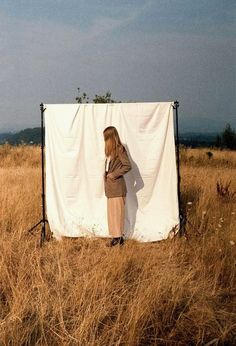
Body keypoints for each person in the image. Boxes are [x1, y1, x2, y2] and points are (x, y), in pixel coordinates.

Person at [103, 126, 132, 247]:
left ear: (111, 137)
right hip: (110, 189)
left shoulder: (120, 149)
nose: (104, 140)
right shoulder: (110, 152)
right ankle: (115, 238)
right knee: (112, 215)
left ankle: (120, 240)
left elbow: (128, 166)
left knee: (118, 215)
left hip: (118, 188)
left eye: (106, 138)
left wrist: (114, 175)